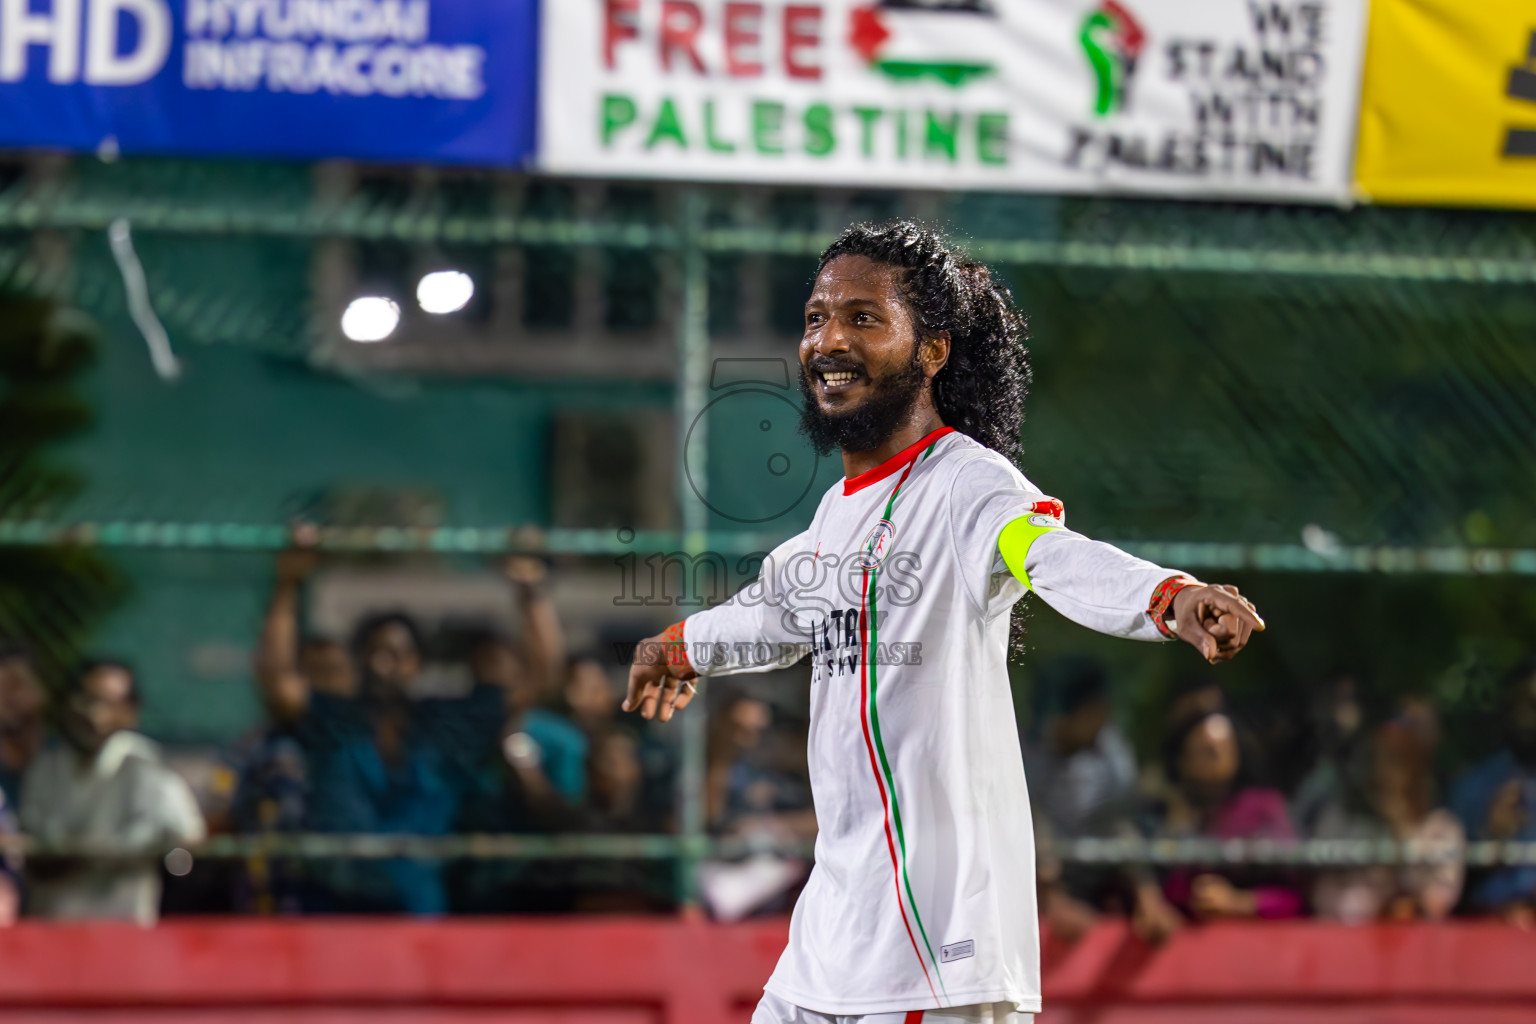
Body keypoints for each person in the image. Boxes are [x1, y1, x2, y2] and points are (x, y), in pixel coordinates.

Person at [623, 221, 1265, 1024]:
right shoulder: (836, 516)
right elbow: (775, 609)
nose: (828, 339)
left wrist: (1167, 598)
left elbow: (1049, 554)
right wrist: (679, 645)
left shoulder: (967, 484)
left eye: (863, 318)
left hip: (934, 945)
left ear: (932, 350)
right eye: (817, 316)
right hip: (835, 929)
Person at [20, 660, 206, 924]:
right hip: (54, 931)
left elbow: (186, 842)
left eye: (109, 703)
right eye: (86, 700)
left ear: (131, 712)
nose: (94, 714)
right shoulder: (47, 768)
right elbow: (32, 849)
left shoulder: (144, 765)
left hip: (122, 931)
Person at [1024, 658, 1178, 945]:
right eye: (1094, 710)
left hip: (1098, 871)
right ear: (1065, 713)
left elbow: (1121, 824)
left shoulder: (1111, 752)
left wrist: (1142, 891)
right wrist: (1051, 897)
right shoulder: (1025, 755)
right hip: (1041, 879)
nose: (1103, 718)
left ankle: (1149, 903)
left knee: (1122, 829)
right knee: (1031, 824)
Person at [1311, 706, 1463, 923]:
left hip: (1413, 945)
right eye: (1377, 757)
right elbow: (1319, 890)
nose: (1385, 768)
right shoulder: (1340, 817)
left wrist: (1400, 831)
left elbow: (1438, 901)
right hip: (1344, 941)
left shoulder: (1442, 828)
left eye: (1397, 758)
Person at [1153, 710, 1302, 921]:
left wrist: (1239, 901)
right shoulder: (1171, 814)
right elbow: (1166, 890)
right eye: (1198, 753)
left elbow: (1292, 894)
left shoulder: (1263, 809)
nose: (1206, 762)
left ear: (1236, 755)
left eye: (1214, 752)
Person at [1450, 658, 1536, 923]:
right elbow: (1448, 886)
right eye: (1532, 705)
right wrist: (1490, 838)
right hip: (1489, 930)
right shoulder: (1476, 784)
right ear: (1509, 710)